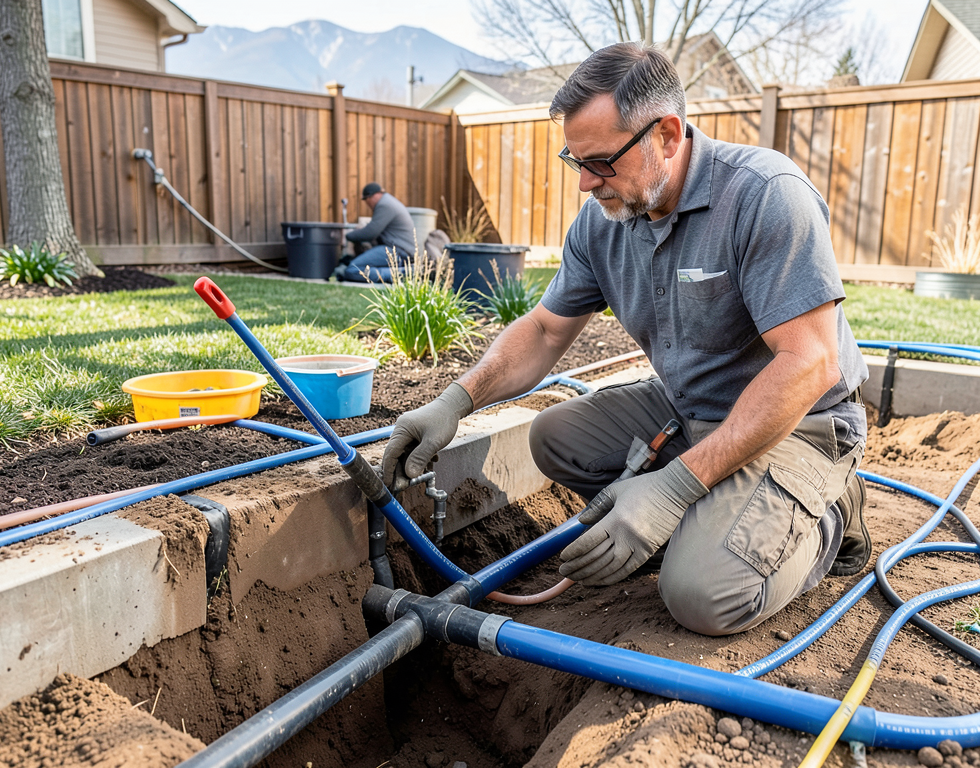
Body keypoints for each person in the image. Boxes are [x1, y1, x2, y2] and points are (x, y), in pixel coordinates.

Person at [381, 42, 871, 638]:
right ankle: (712, 512)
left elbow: (810, 362)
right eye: (575, 160)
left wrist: (671, 490)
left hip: (802, 424)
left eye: (602, 162)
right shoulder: (604, 221)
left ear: (666, 133)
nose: (586, 183)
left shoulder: (764, 195)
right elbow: (542, 331)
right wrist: (455, 401)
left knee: (702, 595)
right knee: (555, 439)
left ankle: (834, 508)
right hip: (693, 412)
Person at [340, 182, 418, 283]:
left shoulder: (385, 205)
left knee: (353, 270)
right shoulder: (389, 202)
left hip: (397, 251)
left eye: (366, 200)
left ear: (373, 195)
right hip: (399, 250)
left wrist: (348, 235)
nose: (367, 204)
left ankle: (403, 273)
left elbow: (370, 232)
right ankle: (401, 272)